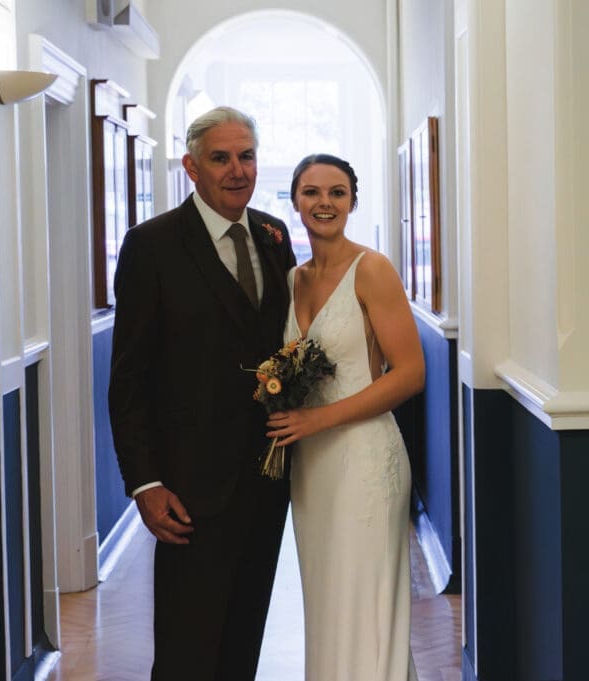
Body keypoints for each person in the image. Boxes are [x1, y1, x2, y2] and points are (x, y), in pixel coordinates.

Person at [108, 106, 296, 680]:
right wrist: (145, 482)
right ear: (191, 167)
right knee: (188, 650)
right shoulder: (152, 245)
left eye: (247, 156)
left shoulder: (273, 234)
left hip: (266, 478)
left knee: (243, 640)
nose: (237, 170)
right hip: (189, 488)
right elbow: (130, 377)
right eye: (221, 158)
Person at [267, 154, 425, 680]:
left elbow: (409, 374)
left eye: (337, 192)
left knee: (366, 600)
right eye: (311, 192)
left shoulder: (372, 269)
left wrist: (318, 421)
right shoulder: (293, 279)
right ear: (295, 201)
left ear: (353, 201)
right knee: (327, 598)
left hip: (363, 457)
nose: (324, 203)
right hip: (311, 467)